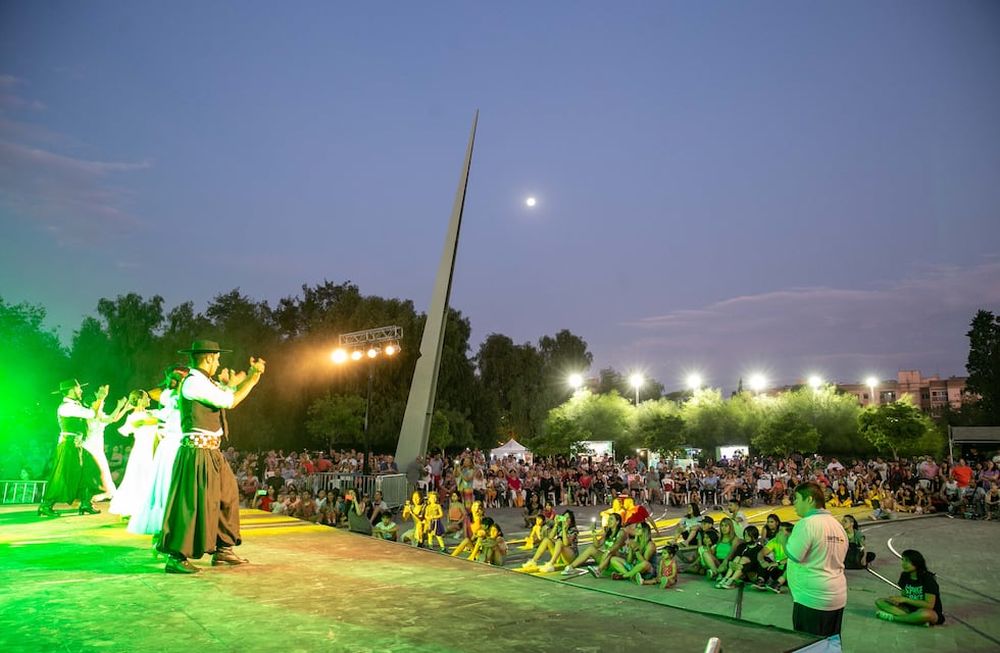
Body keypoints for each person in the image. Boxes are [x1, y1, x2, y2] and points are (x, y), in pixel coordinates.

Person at [158, 340, 266, 574]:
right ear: (208, 358)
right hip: (196, 451)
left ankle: (223, 549)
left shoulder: (204, 382)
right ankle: (176, 556)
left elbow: (225, 392)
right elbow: (230, 400)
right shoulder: (194, 382)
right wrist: (253, 378)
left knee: (227, 495)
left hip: (211, 451)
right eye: (217, 358)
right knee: (191, 503)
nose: (219, 363)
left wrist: (240, 380)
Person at [38, 380, 122, 517]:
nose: (81, 391)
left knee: (86, 475)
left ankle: (85, 503)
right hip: (68, 445)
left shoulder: (75, 405)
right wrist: (100, 398)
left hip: (78, 445)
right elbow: (91, 414)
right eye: (78, 389)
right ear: (71, 390)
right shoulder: (67, 407)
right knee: (62, 475)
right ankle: (46, 505)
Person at [128, 366, 188, 542]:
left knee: (175, 487)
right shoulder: (171, 396)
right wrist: (170, 382)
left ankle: (173, 528)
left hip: (179, 445)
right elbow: (154, 396)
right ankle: (163, 531)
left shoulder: (184, 396)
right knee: (167, 486)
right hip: (171, 446)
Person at [786, 481, 849, 638]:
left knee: (808, 643)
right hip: (836, 596)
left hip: (812, 599)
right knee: (829, 643)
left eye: (797, 498)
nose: (794, 503)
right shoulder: (837, 525)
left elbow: (794, 555)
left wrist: (783, 540)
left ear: (809, 500)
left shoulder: (806, 524)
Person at [109, 390, 159, 518]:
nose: (149, 400)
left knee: (148, 477)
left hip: (152, 448)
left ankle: (145, 507)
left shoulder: (149, 413)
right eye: (146, 397)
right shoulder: (134, 417)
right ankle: (135, 508)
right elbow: (125, 429)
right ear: (139, 400)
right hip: (142, 449)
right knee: (140, 477)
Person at [875, 550, 945, 625]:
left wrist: (905, 599)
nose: (904, 564)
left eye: (907, 561)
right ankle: (914, 619)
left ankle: (894, 618)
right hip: (909, 609)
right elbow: (905, 595)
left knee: (926, 614)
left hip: (928, 611)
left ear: (916, 563)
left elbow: (929, 605)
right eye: (903, 560)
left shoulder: (928, 579)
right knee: (880, 601)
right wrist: (897, 600)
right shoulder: (904, 575)